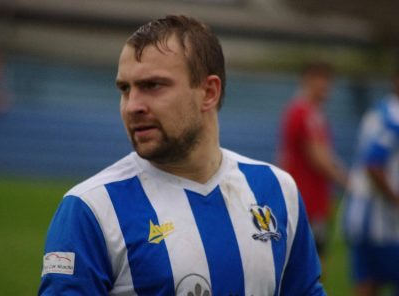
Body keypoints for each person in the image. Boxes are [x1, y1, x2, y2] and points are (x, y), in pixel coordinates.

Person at [39, 15, 325, 295]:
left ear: (209, 92)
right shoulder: (92, 209)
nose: (132, 106)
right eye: (125, 89)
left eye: (152, 86)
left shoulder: (277, 189)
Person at [279, 61, 347, 262]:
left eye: (329, 81)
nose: (326, 86)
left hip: (313, 199)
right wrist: (349, 182)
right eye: (321, 80)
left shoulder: (312, 113)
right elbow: (318, 158)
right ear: (307, 80)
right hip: (307, 200)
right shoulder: (303, 113)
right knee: (310, 267)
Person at [343, 70, 399, 296]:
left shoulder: (377, 111)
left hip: (361, 217)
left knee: (368, 283)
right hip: (382, 225)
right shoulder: (394, 116)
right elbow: (374, 165)